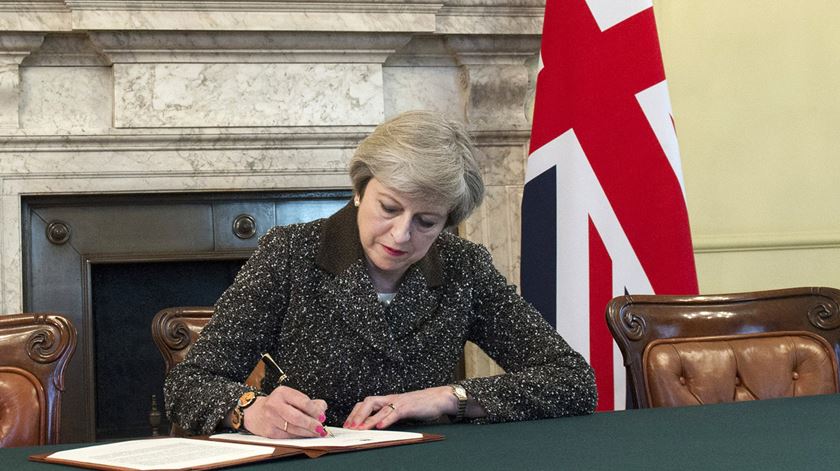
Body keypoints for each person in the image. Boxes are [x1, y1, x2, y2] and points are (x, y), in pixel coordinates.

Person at [164, 110, 597, 438]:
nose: (400, 233)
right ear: (359, 190)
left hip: (428, 457)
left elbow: (572, 380)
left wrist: (447, 397)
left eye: (426, 221)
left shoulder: (463, 266)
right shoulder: (291, 253)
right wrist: (250, 408)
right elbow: (189, 383)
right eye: (388, 208)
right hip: (315, 456)